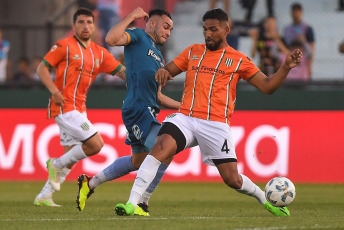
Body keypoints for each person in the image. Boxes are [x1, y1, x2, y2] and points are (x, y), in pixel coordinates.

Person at [114, 8, 302, 217]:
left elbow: (267, 86)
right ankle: (132, 203)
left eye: (213, 29)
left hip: (216, 124)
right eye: (205, 29)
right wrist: (162, 71)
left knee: (233, 179)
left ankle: (265, 200)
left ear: (226, 30)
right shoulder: (193, 51)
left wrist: (285, 67)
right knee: (159, 147)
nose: (208, 34)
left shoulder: (239, 59)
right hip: (186, 117)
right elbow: (168, 70)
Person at [76, 8, 180, 216]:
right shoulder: (139, 35)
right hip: (138, 109)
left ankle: (90, 182)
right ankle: (142, 202)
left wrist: (185, 106)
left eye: (171, 29)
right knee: (165, 151)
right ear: (152, 23)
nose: (168, 33)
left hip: (148, 111)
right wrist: (132, 16)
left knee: (138, 161)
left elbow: (158, 97)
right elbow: (111, 38)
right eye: (165, 26)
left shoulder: (159, 57)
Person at [33, 7, 125, 207]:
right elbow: (42, 68)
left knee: (70, 157)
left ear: (94, 26)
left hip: (80, 109)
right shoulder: (63, 46)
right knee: (96, 144)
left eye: (89, 22)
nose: (86, 26)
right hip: (64, 106)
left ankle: (44, 196)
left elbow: (122, 72)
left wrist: (144, 77)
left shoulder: (99, 53)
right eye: (81, 22)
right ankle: (54, 164)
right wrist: (54, 91)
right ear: (73, 26)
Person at [283, 2, 314, 78]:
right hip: (289, 58)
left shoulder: (307, 28)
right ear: (291, 13)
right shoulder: (287, 29)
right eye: (294, 11)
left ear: (301, 13)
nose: (296, 13)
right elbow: (284, 47)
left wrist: (309, 67)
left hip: (302, 60)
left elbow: (311, 49)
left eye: (298, 11)